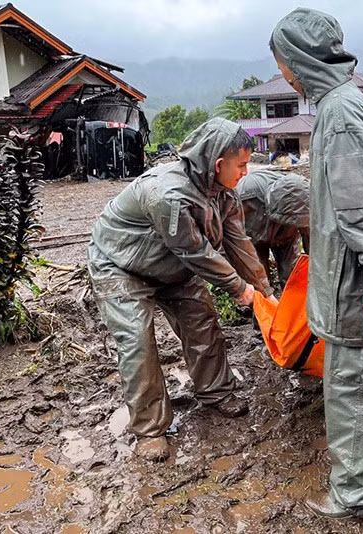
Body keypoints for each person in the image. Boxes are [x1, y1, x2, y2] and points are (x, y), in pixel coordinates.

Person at [270, 8, 363, 521]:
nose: (284, 73)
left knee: (358, 390)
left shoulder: (340, 115)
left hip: (357, 289)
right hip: (353, 284)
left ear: (300, 61)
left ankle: (362, 496)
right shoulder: (346, 104)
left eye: (284, 62)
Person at [87, 118, 276, 461]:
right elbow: (195, 252)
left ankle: (217, 391)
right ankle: (149, 429)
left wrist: (264, 291)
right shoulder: (167, 194)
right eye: (243, 165)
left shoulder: (223, 192)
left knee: (202, 321)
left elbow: (238, 242)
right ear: (219, 164)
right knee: (138, 343)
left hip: (173, 265)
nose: (246, 173)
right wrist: (238, 290)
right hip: (121, 264)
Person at [235, 169, 309, 290]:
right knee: (258, 279)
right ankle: (259, 304)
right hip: (252, 239)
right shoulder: (243, 196)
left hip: (286, 239)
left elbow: (309, 236)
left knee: (292, 275)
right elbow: (232, 236)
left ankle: (291, 303)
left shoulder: (303, 200)